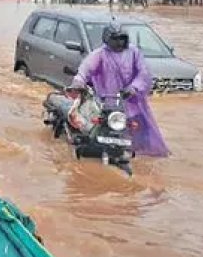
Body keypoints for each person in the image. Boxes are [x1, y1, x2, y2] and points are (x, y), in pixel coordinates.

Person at [69, 23, 169, 157]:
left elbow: (143, 73)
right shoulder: (100, 55)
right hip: (106, 102)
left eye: (122, 38)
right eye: (115, 39)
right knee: (96, 133)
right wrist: (78, 82)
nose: (119, 42)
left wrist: (134, 87)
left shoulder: (134, 53)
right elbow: (85, 70)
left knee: (139, 138)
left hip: (132, 102)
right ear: (107, 39)